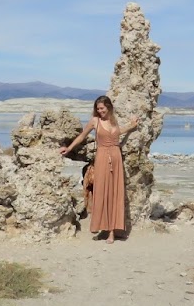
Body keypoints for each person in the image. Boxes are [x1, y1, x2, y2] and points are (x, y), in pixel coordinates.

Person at [60, 95, 140, 243]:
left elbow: (118, 132)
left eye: (102, 108)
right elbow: (82, 136)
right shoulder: (95, 121)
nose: (100, 111)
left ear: (108, 107)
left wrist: (131, 126)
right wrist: (69, 148)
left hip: (116, 158)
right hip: (102, 157)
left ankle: (111, 232)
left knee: (114, 194)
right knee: (101, 192)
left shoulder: (113, 120)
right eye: (98, 108)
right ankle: (99, 225)